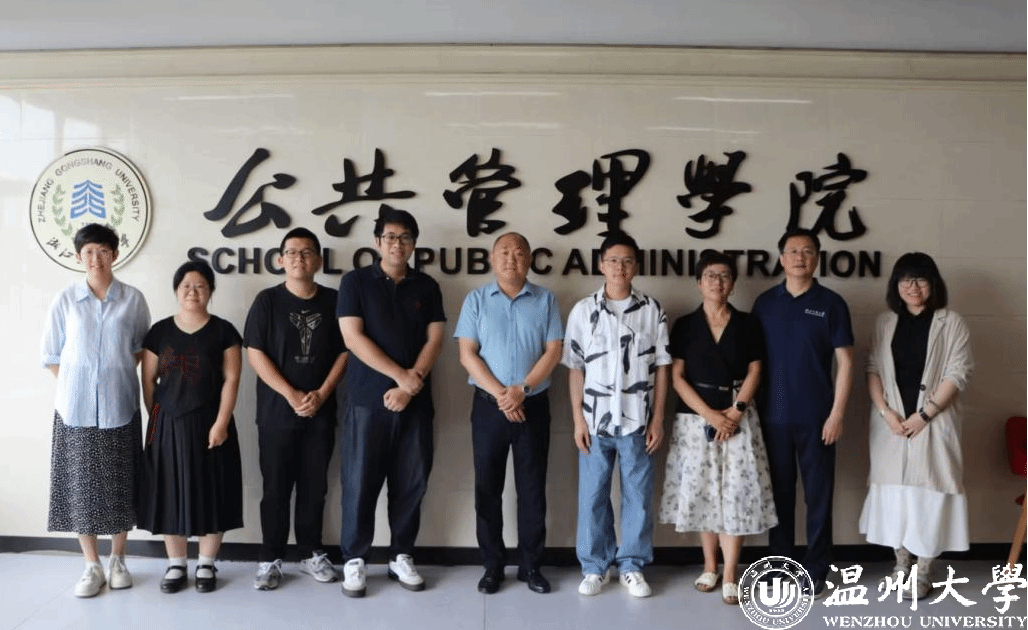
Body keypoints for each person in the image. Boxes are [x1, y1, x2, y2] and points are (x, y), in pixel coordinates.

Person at [335, 208, 445, 597]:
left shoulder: (427, 286)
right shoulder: (355, 282)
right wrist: (401, 376)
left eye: (405, 237)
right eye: (390, 236)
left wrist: (410, 387)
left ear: (414, 243)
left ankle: (401, 555)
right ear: (377, 241)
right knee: (359, 483)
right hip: (366, 401)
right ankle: (354, 559)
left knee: (411, 483)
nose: (397, 243)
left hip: (415, 404)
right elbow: (352, 337)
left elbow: (435, 339)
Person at [659, 251, 777, 605]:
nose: (717, 282)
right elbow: (677, 377)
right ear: (699, 283)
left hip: (739, 416)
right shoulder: (685, 325)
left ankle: (730, 573)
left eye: (724, 275)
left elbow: (756, 370)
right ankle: (710, 566)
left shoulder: (748, 323)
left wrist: (736, 411)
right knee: (704, 492)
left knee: (736, 493)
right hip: (695, 419)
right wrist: (711, 416)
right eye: (710, 275)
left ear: (733, 283)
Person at [41, 223, 151, 598]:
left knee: (121, 484)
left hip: (120, 404)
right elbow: (51, 354)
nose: (96, 258)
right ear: (78, 257)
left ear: (115, 254)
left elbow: (141, 348)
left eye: (103, 251)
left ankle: (118, 559)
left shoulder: (133, 299)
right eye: (88, 252)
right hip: (75, 410)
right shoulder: (65, 300)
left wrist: (110, 378)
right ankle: (91, 565)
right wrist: (81, 384)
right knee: (79, 486)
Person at [858, 253, 973, 600]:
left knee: (928, 495)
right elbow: (873, 368)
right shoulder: (885, 322)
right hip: (891, 424)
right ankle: (900, 564)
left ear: (933, 284)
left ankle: (923, 569)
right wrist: (886, 413)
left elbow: (958, 373)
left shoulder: (951, 322)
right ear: (896, 284)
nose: (913, 286)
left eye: (921, 279)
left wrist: (924, 415)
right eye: (905, 279)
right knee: (895, 496)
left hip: (934, 423)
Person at [563, 232, 671, 598]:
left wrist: (658, 418)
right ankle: (595, 567)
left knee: (637, 497)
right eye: (612, 260)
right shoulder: (583, 311)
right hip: (594, 422)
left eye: (627, 261)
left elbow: (662, 366)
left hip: (638, 420)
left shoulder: (652, 310)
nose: (619, 267)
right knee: (593, 497)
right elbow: (575, 368)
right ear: (601, 265)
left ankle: (632, 566)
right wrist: (578, 420)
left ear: (636, 266)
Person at [455, 232, 564, 595]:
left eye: (519, 253)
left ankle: (531, 565)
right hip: (489, 408)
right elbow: (467, 353)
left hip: (533, 406)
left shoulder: (546, 299)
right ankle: (492, 565)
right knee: (488, 487)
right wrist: (503, 395)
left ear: (530, 259)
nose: (511, 259)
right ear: (492, 258)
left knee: (532, 488)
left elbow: (554, 351)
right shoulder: (476, 300)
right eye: (504, 252)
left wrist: (522, 391)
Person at [751, 228, 854, 597]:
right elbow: (753, 363)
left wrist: (837, 413)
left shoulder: (831, 303)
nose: (800, 257)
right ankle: (778, 567)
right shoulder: (765, 303)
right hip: (772, 418)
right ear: (781, 259)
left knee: (818, 498)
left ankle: (816, 568)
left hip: (818, 419)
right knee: (779, 496)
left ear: (817, 258)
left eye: (808, 251)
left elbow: (846, 362)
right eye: (793, 251)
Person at [244, 227, 348, 591]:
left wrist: (321, 393)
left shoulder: (335, 300)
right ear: (280, 260)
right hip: (276, 412)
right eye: (291, 252)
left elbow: (345, 351)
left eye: (306, 252)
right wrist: (291, 394)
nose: (298, 258)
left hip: (320, 411)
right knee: (275, 488)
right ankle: (270, 558)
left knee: (314, 487)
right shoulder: (267, 301)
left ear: (318, 260)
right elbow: (255, 352)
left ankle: (310, 553)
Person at [137, 260, 244, 594]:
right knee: (169, 491)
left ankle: (207, 563)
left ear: (210, 291)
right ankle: (177, 564)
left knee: (214, 491)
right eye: (186, 285)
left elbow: (232, 379)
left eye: (200, 286)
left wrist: (221, 422)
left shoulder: (224, 331)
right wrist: (158, 418)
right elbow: (148, 380)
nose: (192, 292)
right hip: (167, 423)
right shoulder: (159, 332)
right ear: (176, 290)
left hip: (212, 423)